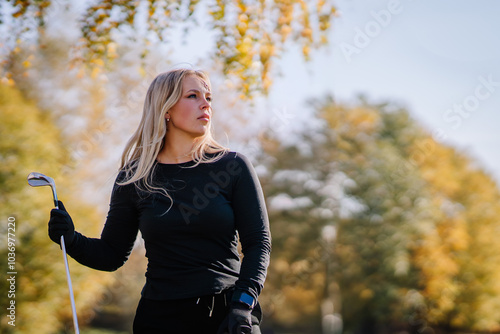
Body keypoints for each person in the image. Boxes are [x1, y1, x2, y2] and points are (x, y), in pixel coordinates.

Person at [48, 68, 272, 334]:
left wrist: (243, 305)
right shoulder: (135, 177)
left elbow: (259, 242)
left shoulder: (232, 166)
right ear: (166, 109)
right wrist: (71, 239)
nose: (205, 104)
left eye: (208, 98)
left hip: (227, 316)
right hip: (158, 318)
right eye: (193, 96)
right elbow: (111, 255)